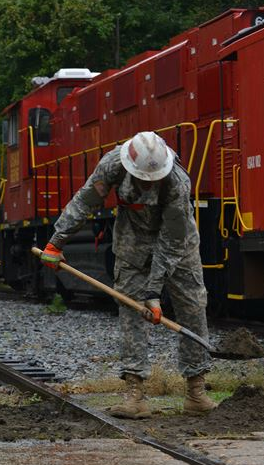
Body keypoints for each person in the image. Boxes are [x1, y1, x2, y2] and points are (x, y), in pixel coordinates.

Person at [41, 131, 217, 419]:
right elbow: (86, 199)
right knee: (130, 312)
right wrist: (56, 241)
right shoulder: (113, 163)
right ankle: (135, 393)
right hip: (131, 243)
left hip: (178, 246)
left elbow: (171, 241)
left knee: (193, 307)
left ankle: (196, 391)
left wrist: (154, 294)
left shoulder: (177, 182)